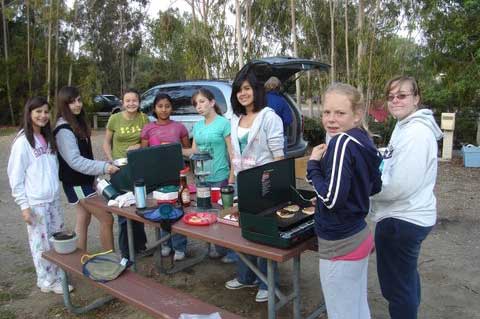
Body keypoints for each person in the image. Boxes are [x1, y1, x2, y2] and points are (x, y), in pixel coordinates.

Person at [306, 83, 382, 319]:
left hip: (339, 242)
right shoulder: (363, 140)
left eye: (340, 113)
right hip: (359, 234)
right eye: (327, 112)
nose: (331, 119)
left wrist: (313, 166)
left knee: (341, 313)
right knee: (357, 307)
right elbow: (375, 185)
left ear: (356, 115)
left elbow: (331, 198)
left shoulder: (340, 142)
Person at [370, 76, 443, 319]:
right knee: (406, 279)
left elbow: (400, 185)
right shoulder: (405, 126)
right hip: (406, 215)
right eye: (391, 96)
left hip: (402, 218)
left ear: (416, 99)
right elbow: (395, 164)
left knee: (396, 287)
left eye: (401, 95)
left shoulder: (416, 133)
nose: (395, 100)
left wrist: (365, 193)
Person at [224, 72, 284, 303]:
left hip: (263, 184)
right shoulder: (235, 118)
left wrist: (275, 187)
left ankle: (267, 283)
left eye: (247, 88)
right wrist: (232, 179)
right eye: (239, 90)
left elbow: (279, 156)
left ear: (256, 91)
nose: (243, 93)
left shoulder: (269, 117)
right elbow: (234, 153)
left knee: (263, 234)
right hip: (242, 183)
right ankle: (245, 276)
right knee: (243, 231)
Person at [7, 97, 73, 294]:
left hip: (52, 199)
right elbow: (15, 176)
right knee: (40, 244)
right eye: (38, 112)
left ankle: (57, 275)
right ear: (29, 113)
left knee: (55, 240)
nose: (43, 116)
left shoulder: (47, 137)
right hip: (36, 203)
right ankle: (46, 280)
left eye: (46, 112)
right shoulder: (22, 142)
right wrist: (24, 207)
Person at [54, 86, 119, 253]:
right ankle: (110, 260)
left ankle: (77, 258)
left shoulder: (75, 123)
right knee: (106, 218)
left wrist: (96, 172)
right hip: (76, 184)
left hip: (84, 181)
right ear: (63, 105)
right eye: (71, 102)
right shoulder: (63, 130)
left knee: (83, 217)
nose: (77, 105)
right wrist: (105, 167)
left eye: (78, 100)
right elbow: (75, 161)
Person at [186, 88, 235, 262]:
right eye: (196, 104)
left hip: (221, 176)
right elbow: (194, 150)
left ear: (212, 102)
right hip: (203, 180)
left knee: (225, 214)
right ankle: (218, 248)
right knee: (207, 213)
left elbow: (232, 153)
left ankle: (232, 252)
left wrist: (231, 177)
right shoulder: (197, 126)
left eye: (202, 101)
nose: (198, 106)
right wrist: (173, 148)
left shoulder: (224, 123)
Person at [140, 93, 190, 261]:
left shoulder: (179, 127)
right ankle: (165, 243)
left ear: (172, 108)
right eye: (160, 106)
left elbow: (187, 150)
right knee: (162, 210)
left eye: (167, 106)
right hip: (157, 176)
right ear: (154, 108)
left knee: (177, 209)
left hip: (177, 176)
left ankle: (180, 245)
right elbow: (144, 154)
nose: (164, 109)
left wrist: (172, 150)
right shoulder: (148, 128)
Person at [103, 88, 149, 259]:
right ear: (123, 102)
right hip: (118, 170)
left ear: (139, 102)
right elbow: (106, 143)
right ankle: (126, 252)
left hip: (137, 167)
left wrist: (138, 146)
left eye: (134, 100)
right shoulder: (115, 119)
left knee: (140, 205)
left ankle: (140, 245)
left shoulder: (144, 118)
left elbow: (147, 141)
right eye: (127, 100)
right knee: (123, 211)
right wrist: (111, 160)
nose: (131, 103)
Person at [264, 76, 293, 151]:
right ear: (278, 87)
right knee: (281, 162)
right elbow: (289, 120)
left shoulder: (261, 100)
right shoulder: (282, 101)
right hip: (279, 137)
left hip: (263, 138)